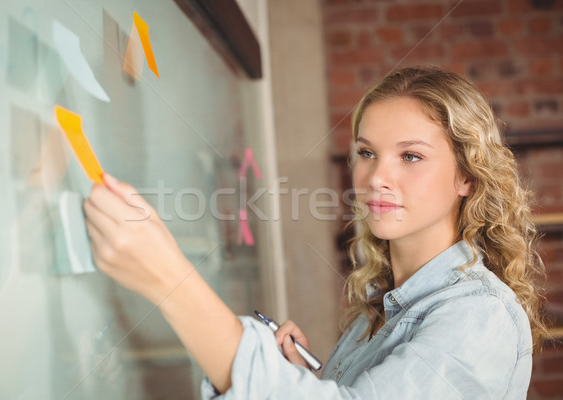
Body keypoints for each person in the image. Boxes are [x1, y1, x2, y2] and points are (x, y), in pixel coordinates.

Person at [84, 66, 548, 399]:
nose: (376, 177)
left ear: (466, 177)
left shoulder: (479, 317)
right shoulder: (380, 305)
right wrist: (306, 381)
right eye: (367, 153)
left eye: (410, 156)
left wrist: (169, 279)